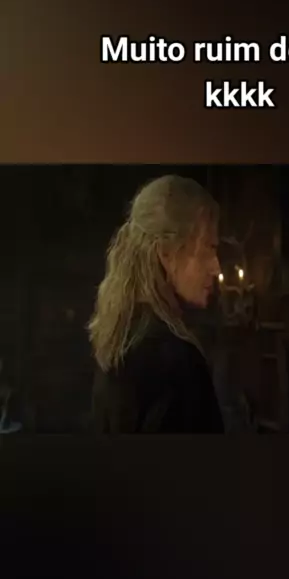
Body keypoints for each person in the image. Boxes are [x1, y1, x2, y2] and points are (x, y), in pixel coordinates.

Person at [88, 175, 224, 433]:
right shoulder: (177, 362)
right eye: (208, 248)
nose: (216, 267)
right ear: (166, 253)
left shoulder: (118, 343)